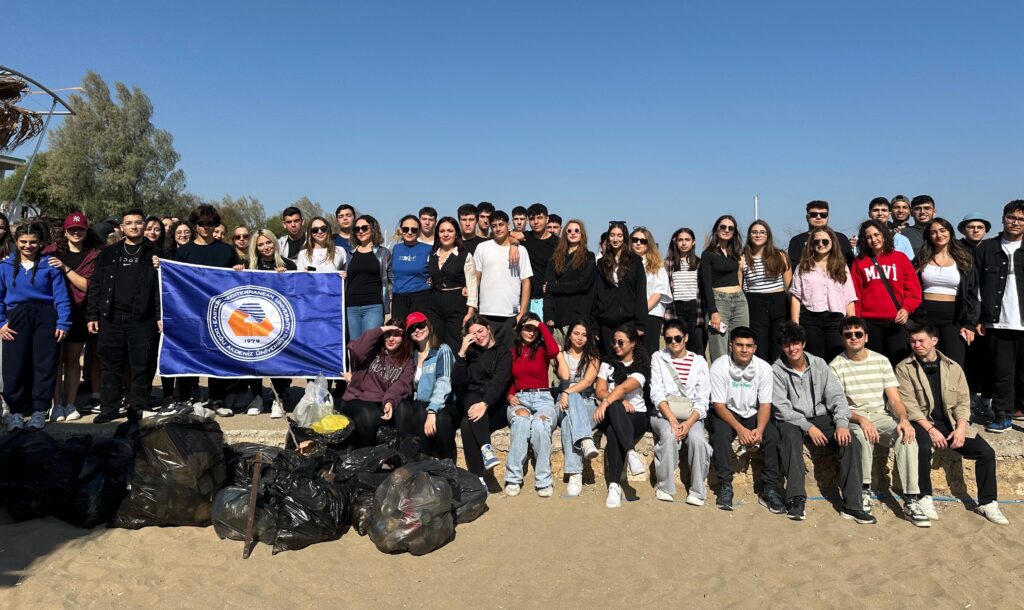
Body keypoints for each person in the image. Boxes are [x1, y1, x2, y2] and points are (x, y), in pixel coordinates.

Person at [896, 324, 1009, 525]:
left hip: (950, 423)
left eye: (921, 340)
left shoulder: (953, 367)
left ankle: (987, 502)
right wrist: (930, 430)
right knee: (920, 447)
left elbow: (963, 402)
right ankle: (924, 497)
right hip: (922, 423)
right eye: (913, 341)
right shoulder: (904, 368)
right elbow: (909, 405)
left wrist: (960, 429)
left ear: (934, 341)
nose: (917, 345)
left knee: (986, 453)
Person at [771, 322, 867, 522]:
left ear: (803, 343)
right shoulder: (776, 370)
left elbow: (837, 397)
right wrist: (808, 427)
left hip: (822, 416)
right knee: (788, 437)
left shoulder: (819, 364)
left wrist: (841, 424)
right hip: (793, 419)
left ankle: (853, 505)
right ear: (782, 347)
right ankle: (796, 500)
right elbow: (782, 408)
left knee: (851, 442)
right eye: (787, 344)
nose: (792, 348)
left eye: (796, 343)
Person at [829, 316, 921, 523]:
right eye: (848, 335)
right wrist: (862, 420)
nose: (854, 338)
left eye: (858, 334)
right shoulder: (835, 365)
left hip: (880, 415)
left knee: (906, 436)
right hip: (853, 417)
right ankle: (864, 490)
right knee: (861, 436)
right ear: (842, 339)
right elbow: (839, 405)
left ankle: (911, 499)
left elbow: (895, 398)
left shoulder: (881, 361)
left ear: (866, 337)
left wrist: (904, 419)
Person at [85, 209, 162, 424]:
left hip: (143, 317)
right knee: (110, 364)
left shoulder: (156, 253)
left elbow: (163, 289)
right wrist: (92, 314)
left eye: (138, 223)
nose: (134, 226)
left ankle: (139, 407)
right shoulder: (108, 253)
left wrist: (159, 315)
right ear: (122, 227)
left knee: (142, 364)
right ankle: (109, 407)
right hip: (111, 316)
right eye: (129, 223)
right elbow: (96, 285)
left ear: (144, 226)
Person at [0, 223, 71, 431]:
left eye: (32, 242)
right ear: (16, 242)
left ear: (40, 243)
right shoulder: (5, 266)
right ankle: (15, 412)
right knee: (14, 366)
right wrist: (2, 323)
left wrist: (63, 322)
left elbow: (61, 297)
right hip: (17, 317)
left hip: (45, 316)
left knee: (45, 364)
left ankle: (39, 411)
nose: (28, 246)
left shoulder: (50, 265)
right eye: (23, 242)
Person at [174, 204, 241, 417]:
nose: (205, 227)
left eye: (210, 224)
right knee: (188, 353)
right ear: (195, 225)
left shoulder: (226, 250)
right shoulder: (183, 252)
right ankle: (186, 397)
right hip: (189, 311)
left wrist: (238, 270)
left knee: (217, 353)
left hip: (219, 312)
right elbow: (173, 282)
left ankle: (217, 399)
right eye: (201, 224)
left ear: (216, 225)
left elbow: (237, 280)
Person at [708, 326, 782, 512]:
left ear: (755, 348)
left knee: (772, 436)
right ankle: (725, 485)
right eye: (739, 344)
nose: (744, 349)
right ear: (730, 345)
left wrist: (760, 429)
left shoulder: (764, 368)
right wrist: (740, 429)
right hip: (726, 411)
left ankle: (770, 488)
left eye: (748, 345)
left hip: (752, 412)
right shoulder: (719, 366)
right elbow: (718, 405)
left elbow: (765, 404)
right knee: (720, 435)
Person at [44, 212, 100, 422]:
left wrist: (65, 268)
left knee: (73, 359)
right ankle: (56, 404)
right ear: (65, 232)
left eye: (80, 229)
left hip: (79, 313)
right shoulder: (51, 252)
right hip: (54, 312)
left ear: (87, 231)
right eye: (72, 229)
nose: (76, 232)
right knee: (56, 361)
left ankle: (70, 403)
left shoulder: (93, 255)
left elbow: (87, 285)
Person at [974, 199, 1024, 433]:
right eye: (1012, 217)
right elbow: (974, 286)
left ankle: (1019, 409)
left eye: (1021, 219)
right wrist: (977, 319)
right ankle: (1003, 415)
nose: (1016, 222)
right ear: (1003, 218)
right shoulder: (986, 248)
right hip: (998, 320)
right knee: (1002, 372)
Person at [649, 319, 712, 506]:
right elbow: (657, 393)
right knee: (669, 435)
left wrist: (689, 422)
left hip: (692, 415)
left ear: (686, 337)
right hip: (663, 414)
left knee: (698, 440)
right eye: (669, 339)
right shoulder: (658, 358)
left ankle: (698, 490)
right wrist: (672, 420)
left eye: (677, 338)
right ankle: (665, 487)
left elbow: (702, 399)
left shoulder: (699, 362)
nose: (673, 342)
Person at [234, 230, 294, 418]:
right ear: (256, 247)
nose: (266, 247)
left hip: (278, 322)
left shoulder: (288, 264)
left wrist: (287, 276)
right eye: (261, 244)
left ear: (274, 243)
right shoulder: (248, 265)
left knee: (278, 359)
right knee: (255, 359)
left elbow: (297, 290)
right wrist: (236, 273)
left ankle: (278, 399)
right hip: (253, 323)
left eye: (269, 242)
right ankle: (257, 397)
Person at [851, 219, 922, 365]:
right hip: (870, 322)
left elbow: (913, 291)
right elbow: (855, 294)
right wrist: (858, 322)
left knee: (900, 363)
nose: (873, 239)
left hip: (895, 321)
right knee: (875, 364)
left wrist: (906, 309)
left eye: (876, 235)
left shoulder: (900, 258)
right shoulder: (860, 261)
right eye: (869, 237)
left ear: (884, 235)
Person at [504, 313, 560, 497]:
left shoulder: (543, 348)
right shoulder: (512, 352)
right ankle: (513, 478)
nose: (531, 332)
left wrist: (541, 325)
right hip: (520, 398)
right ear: (520, 329)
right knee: (521, 421)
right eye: (527, 328)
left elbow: (554, 351)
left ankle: (543, 480)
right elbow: (506, 379)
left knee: (539, 424)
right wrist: (509, 395)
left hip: (543, 397)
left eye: (535, 329)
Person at [594, 324, 650, 508]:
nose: (616, 346)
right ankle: (631, 453)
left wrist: (608, 401)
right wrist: (614, 401)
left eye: (621, 342)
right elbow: (600, 390)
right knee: (617, 405)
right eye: (614, 342)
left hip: (637, 415)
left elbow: (624, 387)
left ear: (633, 343)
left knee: (612, 431)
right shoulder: (606, 364)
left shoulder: (641, 367)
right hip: (611, 413)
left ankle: (614, 486)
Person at [913, 218, 978, 368]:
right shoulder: (920, 258)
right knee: (926, 363)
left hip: (953, 318)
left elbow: (972, 293)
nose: (939, 235)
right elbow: (912, 287)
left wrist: (970, 323)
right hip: (925, 317)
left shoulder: (964, 258)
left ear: (950, 233)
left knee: (954, 363)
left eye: (943, 231)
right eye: (933, 232)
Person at [453, 316, 512, 480]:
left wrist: (485, 403)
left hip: (494, 406)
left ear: (488, 328)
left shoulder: (503, 352)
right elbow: (458, 381)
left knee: (467, 422)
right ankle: (485, 456)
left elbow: (500, 382)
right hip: (471, 403)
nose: (479, 336)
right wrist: (462, 352)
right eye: (473, 334)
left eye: (481, 330)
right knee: (470, 397)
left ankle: (476, 478)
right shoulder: (470, 353)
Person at [341, 322, 415, 448]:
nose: (391, 338)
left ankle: (400, 455)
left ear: (403, 338)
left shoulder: (407, 360)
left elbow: (402, 384)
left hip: (383, 401)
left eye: (396, 335)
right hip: (358, 399)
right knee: (370, 415)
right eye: (388, 334)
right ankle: (366, 456)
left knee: (405, 409)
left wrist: (390, 401)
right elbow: (356, 349)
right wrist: (381, 329)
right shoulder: (371, 349)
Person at [395, 312, 458, 460]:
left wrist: (432, 411)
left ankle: (447, 463)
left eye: (420, 325)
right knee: (416, 413)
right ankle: (421, 461)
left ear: (428, 326)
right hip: (422, 403)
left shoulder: (443, 350)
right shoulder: (413, 355)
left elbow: (444, 382)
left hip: (445, 403)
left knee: (441, 421)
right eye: (412, 329)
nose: (417, 330)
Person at [790, 226, 856, 362]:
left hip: (836, 320)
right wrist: (795, 325)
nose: (821, 244)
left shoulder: (841, 266)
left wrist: (853, 323)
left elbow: (849, 296)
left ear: (832, 243)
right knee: (815, 361)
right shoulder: (803, 267)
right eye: (816, 242)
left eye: (825, 241)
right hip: (810, 320)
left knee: (837, 360)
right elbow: (796, 296)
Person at [555, 320, 602, 497]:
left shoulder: (593, 357)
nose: (580, 338)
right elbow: (563, 375)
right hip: (563, 403)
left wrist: (568, 390)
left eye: (584, 335)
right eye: (576, 333)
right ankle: (586, 441)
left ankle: (575, 474)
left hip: (588, 403)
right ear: (569, 335)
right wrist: (559, 354)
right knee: (571, 403)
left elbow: (588, 382)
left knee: (568, 424)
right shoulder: (561, 356)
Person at [474, 210, 531, 348]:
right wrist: (472, 308)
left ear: (508, 225)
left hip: (510, 315)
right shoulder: (482, 248)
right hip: (485, 313)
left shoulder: (521, 250)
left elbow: (526, 283)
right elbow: (476, 279)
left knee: (508, 358)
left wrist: (521, 314)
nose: (498, 228)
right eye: (494, 225)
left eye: (501, 224)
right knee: (486, 356)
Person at [595, 221, 647, 356]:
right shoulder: (601, 263)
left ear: (625, 237)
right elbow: (597, 294)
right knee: (608, 361)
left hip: (628, 321)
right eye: (612, 235)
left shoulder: (635, 262)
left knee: (627, 360)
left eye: (619, 235)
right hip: (606, 322)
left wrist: (641, 324)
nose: (615, 239)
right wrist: (595, 324)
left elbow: (640, 292)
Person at [741, 220, 791, 363]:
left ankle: (778, 381)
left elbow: (790, 287)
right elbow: (739, 288)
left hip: (778, 303)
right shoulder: (742, 259)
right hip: (755, 304)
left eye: (762, 232)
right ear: (749, 235)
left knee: (778, 346)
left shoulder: (780, 256)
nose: (758, 235)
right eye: (754, 232)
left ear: (768, 235)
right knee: (760, 347)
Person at [427, 216, 478, 351]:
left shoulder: (464, 255)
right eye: (442, 231)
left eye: (450, 231)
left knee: (455, 343)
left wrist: (470, 310)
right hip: (434, 304)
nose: (445, 234)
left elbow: (472, 284)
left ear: (456, 234)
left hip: (456, 304)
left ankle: (455, 372)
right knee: (435, 343)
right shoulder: (432, 255)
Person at [701, 215, 748, 363]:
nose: (726, 230)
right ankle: (720, 384)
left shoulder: (736, 254)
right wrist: (713, 311)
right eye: (723, 227)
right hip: (719, 302)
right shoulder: (708, 254)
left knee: (741, 344)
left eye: (730, 228)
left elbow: (740, 277)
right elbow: (706, 285)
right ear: (716, 229)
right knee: (720, 350)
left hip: (739, 301)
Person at [543, 219, 597, 343]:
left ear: (582, 234)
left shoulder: (589, 256)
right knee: (556, 358)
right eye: (569, 231)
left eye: (576, 230)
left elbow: (583, 284)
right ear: (565, 234)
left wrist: (554, 287)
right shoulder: (554, 258)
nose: (573, 233)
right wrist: (548, 315)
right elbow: (547, 290)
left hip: (578, 316)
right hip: (557, 316)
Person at [957, 212, 991, 400]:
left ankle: (986, 397)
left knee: (987, 357)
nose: (975, 230)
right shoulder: (957, 248)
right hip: (965, 308)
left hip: (988, 308)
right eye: (971, 227)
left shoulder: (992, 248)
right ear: (963, 230)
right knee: (967, 357)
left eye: (980, 227)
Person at [345, 214, 392, 340]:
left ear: (373, 229)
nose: (360, 231)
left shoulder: (384, 253)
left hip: (374, 306)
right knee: (355, 348)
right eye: (357, 229)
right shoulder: (349, 254)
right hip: (351, 307)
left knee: (369, 345)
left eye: (364, 228)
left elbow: (394, 277)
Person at [665, 227, 705, 356]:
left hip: (695, 307)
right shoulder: (668, 263)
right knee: (677, 345)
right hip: (676, 307)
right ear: (675, 242)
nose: (683, 243)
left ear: (693, 242)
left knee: (697, 347)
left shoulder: (700, 263)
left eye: (687, 240)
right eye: (680, 240)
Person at [631, 227, 671, 356]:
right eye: (635, 240)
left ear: (649, 244)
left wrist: (641, 312)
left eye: (643, 241)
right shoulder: (623, 264)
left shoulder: (657, 266)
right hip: (628, 316)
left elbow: (658, 292)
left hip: (650, 315)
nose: (638, 243)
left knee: (648, 353)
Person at [390, 215, 432, 322]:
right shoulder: (396, 248)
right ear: (400, 230)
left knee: (417, 332)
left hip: (420, 297)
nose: (409, 232)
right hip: (398, 297)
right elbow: (391, 271)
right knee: (399, 332)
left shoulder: (428, 249)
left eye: (413, 230)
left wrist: (433, 281)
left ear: (418, 232)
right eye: (405, 229)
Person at [786, 200, 854, 267]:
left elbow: (850, 264)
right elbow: (794, 267)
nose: (818, 217)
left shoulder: (841, 238)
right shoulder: (796, 241)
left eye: (823, 215)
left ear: (828, 218)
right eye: (813, 214)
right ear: (807, 217)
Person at [519, 203, 557, 318]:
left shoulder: (558, 244)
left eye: (539, 218)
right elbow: (510, 235)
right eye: (532, 219)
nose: (535, 222)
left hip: (549, 300)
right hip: (526, 299)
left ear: (547, 219)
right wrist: (514, 245)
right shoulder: (524, 238)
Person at [865, 197, 916, 261]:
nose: (880, 214)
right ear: (869, 214)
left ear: (889, 214)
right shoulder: (863, 238)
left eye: (884, 210)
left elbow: (910, 265)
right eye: (876, 210)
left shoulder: (902, 240)